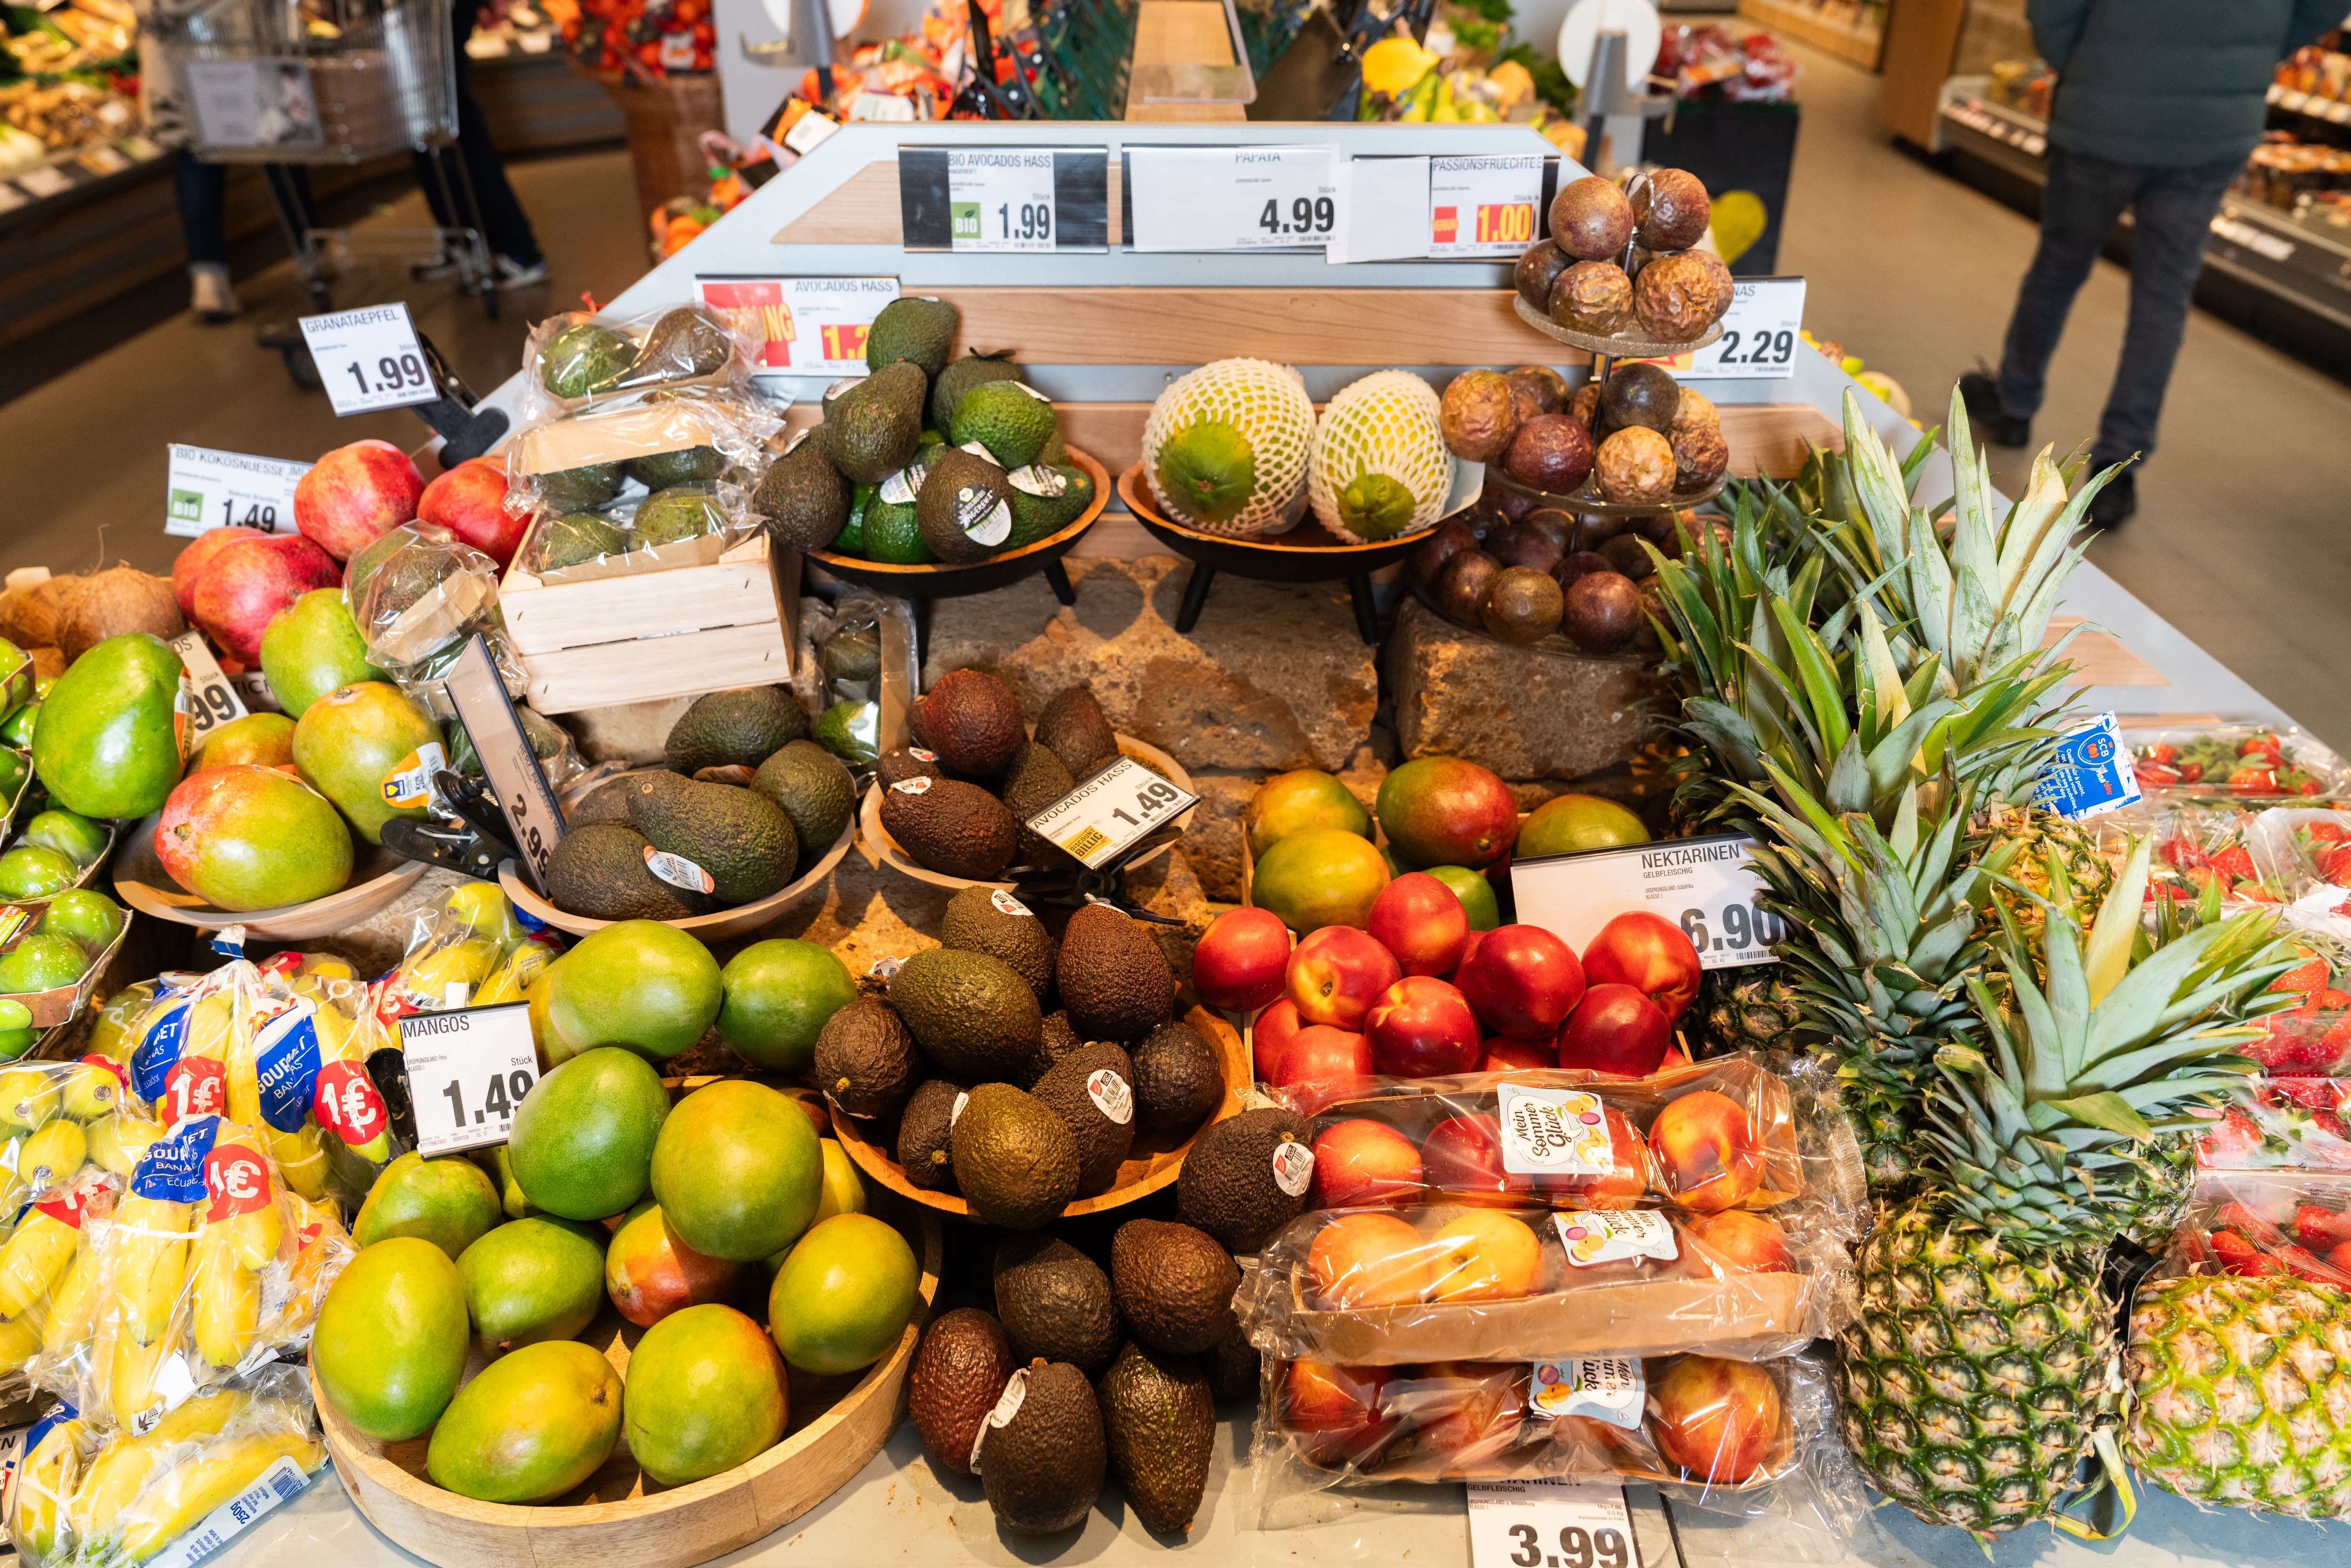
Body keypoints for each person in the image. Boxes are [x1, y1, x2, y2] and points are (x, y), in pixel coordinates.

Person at [1959, 0, 2343, 527]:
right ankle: (2117, 470)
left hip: (2105, 111)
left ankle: (2013, 403)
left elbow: (2052, 9)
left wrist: (2086, 62)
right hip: (2211, 128)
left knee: (2058, 268)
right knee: (2163, 301)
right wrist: (2251, 56)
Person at [411, 0, 548, 286]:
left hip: (439, 22)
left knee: (463, 136)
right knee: (424, 140)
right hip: (414, 26)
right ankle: (462, 242)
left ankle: (520, 251)